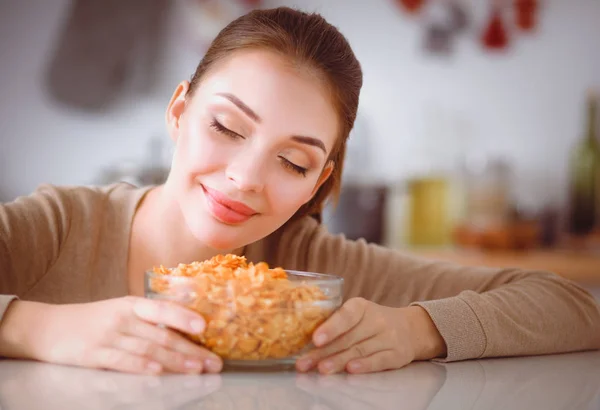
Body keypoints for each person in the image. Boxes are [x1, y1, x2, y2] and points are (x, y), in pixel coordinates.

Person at [0, 7, 599, 376]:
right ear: (179, 112)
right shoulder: (59, 228)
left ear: (321, 181)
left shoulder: (312, 272)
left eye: (293, 161)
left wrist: (418, 330)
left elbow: (576, 307)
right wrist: (37, 329)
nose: (245, 177)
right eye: (226, 127)